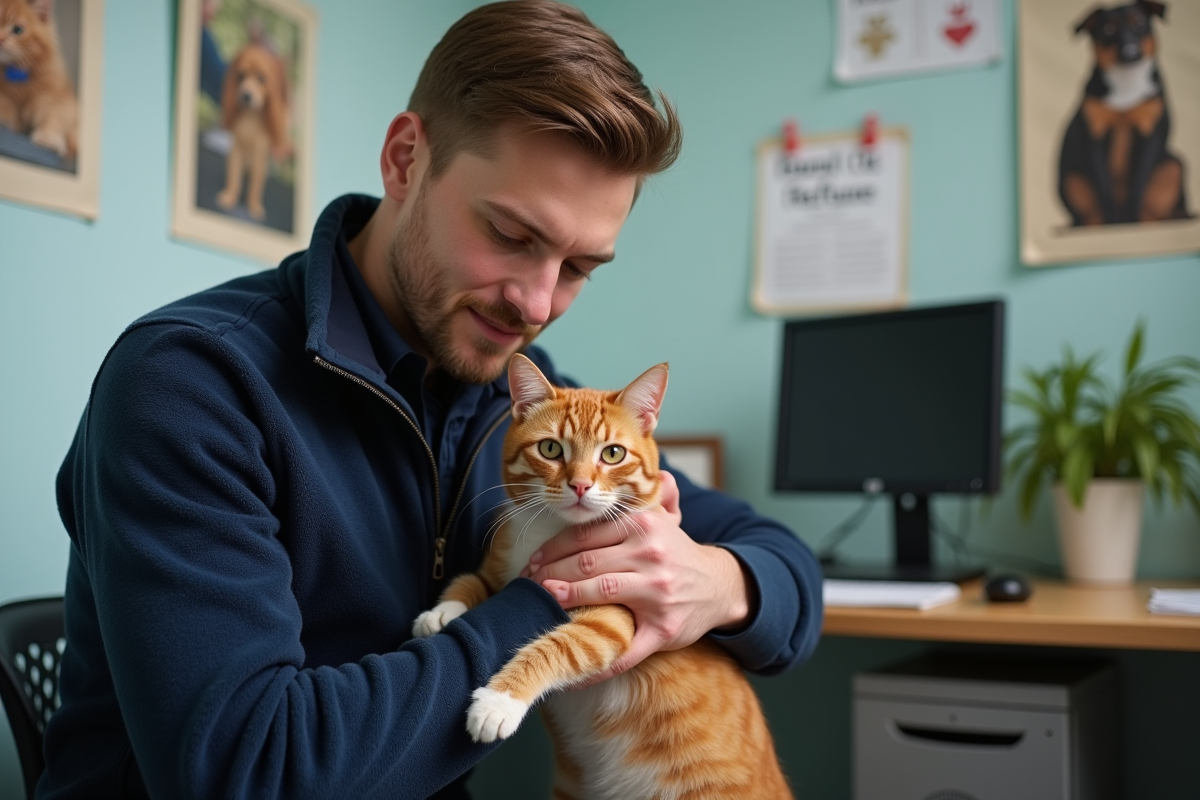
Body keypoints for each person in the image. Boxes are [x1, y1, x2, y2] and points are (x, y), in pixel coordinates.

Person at [39, 2, 824, 798]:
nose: (537, 303)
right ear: (405, 160)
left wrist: (712, 581)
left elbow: (784, 568)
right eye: (511, 235)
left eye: (579, 268)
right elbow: (250, 772)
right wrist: (552, 599)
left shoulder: (517, 393)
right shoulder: (191, 382)